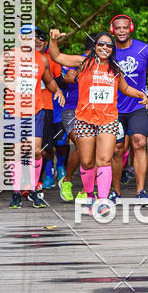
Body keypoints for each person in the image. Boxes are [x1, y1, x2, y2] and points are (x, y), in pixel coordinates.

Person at [48, 28, 148, 209]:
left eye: (109, 45)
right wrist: (53, 40)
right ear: (94, 46)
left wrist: (140, 94)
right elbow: (57, 57)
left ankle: (102, 200)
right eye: (101, 44)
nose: (105, 47)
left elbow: (124, 88)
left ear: (112, 49)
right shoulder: (84, 62)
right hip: (85, 120)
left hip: (108, 120)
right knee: (86, 161)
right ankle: (89, 196)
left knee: (104, 160)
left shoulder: (115, 68)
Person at [0, 25, 66, 208]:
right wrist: (8, 80)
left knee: (35, 151)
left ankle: (33, 189)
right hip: (13, 110)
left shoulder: (42, 59)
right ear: (20, 38)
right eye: (28, 36)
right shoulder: (10, 55)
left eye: (36, 37)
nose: (33, 39)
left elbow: (49, 80)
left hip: (35, 110)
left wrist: (58, 91)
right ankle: (16, 192)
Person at [109, 14, 148, 200]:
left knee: (140, 142)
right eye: (118, 28)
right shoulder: (108, 51)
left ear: (130, 28)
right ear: (112, 30)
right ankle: (115, 192)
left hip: (138, 106)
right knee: (117, 149)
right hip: (114, 109)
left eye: (125, 27)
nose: (121, 31)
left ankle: (140, 191)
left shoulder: (144, 49)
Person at [57, 32, 98, 202]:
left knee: (92, 149)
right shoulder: (80, 60)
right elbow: (67, 77)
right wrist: (84, 77)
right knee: (82, 148)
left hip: (95, 112)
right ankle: (66, 181)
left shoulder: (106, 64)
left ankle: (85, 191)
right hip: (73, 110)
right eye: (102, 45)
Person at [34, 29, 63, 189]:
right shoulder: (16, 58)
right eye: (33, 38)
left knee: (44, 148)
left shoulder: (49, 60)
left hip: (46, 107)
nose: (37, 41)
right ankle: (27, 183)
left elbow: (58, 81)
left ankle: (46, 176)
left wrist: (60, 90)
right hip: (21, 109)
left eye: (41, 39)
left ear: (45, 43)